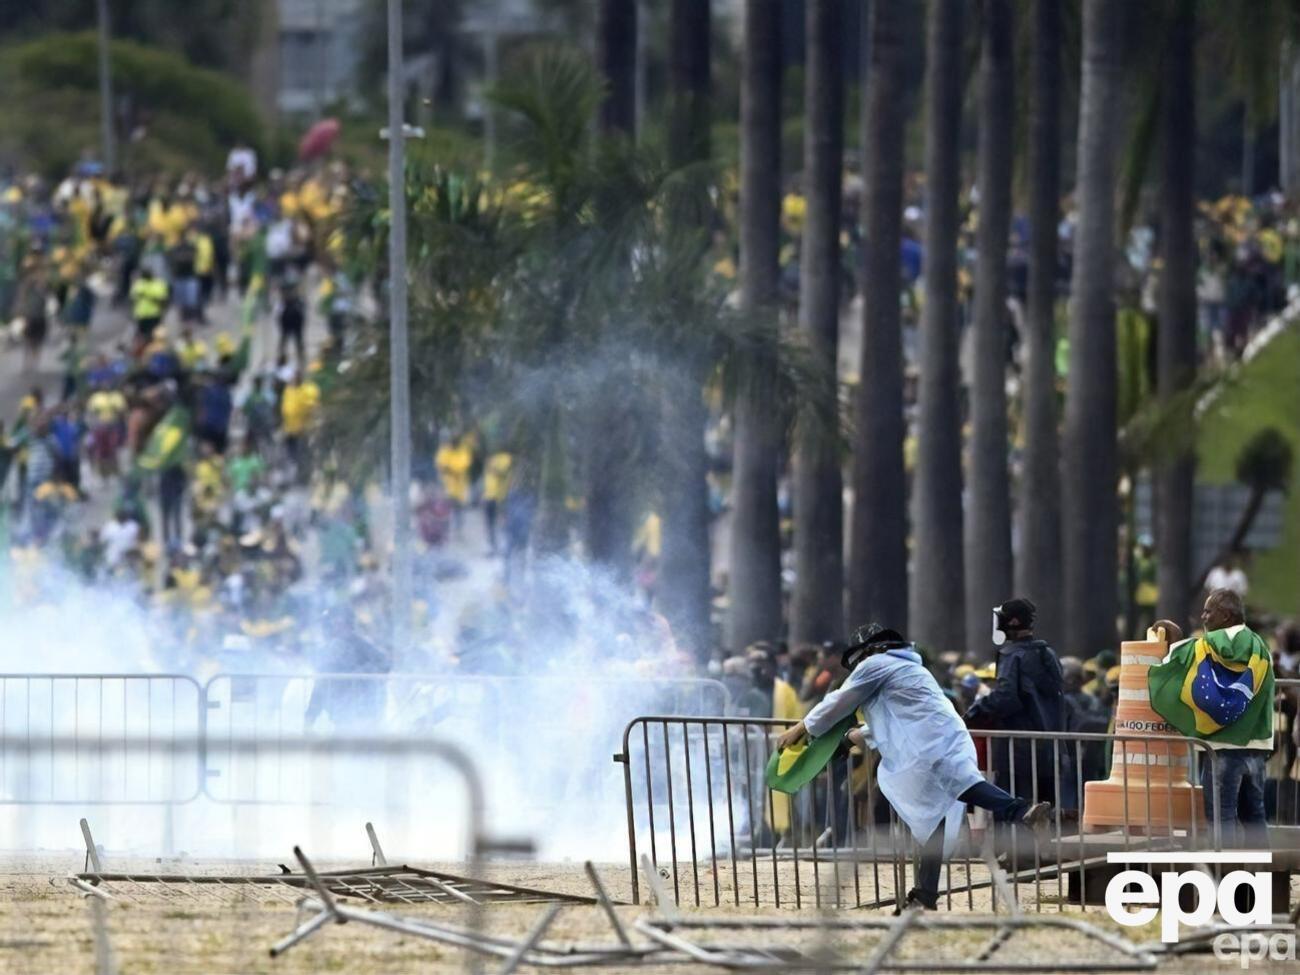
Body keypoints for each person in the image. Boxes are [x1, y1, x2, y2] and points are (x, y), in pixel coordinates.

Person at [776, 623, 1051, 911]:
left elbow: (839, 701)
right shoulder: (910, 669)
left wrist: (801, 727)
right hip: (942, 738)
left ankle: (1020, 811)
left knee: (960, 788)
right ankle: (925, 894)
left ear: (868, 650)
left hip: (929, 745)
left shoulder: (877, 663)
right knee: (932, 819)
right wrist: (852, 739)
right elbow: (895, 719)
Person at [1148, 588, 1274, 847]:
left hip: (1222, 748)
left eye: (1208, 611)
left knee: (1221, 818)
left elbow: (1180, 659)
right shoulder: (1261, 649)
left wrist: (1175, 638)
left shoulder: (1208, 645)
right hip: (1257, 746)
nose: (1203, 617)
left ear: (1226, 616)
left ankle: (1224, 871)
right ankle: (1262, 872)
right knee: (1254, 817)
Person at [963, 598, 1070, 808]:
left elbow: (1006, 697)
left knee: (1016, 810)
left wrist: (972, 714)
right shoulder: (1048, 653)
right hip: (1050, 749)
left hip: (1018, 751)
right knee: (1047, 810)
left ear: (1012, 622)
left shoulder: (1011, 655)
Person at [130, 267, 168, 342]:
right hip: (141, 315)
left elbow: (163, 300)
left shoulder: (158, 284)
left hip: (154, 314)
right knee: (142, 336)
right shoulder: (138, 284)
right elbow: (133, 299)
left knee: (155, 336)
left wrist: (147, 296)